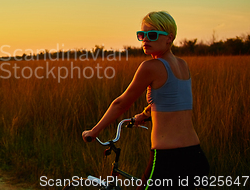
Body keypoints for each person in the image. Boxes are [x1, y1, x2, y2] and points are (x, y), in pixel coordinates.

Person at [81, 11, 209, 189]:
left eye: (152, 35)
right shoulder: (182, 65)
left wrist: (94, 132)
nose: (145, 40)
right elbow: (172, 100)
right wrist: (145, 114)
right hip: (195, 156)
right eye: (141, 35)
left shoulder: (150, 67)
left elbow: (121, 104)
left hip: (168, 159)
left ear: (169, 38)